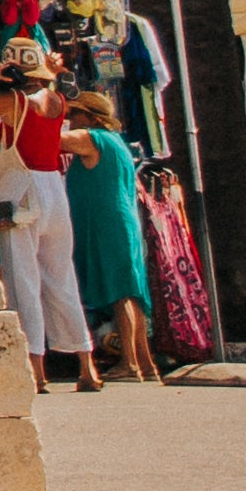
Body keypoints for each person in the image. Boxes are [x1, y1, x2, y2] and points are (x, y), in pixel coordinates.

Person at [0, 42, 98, 391]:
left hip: (23, 187)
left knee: (23, 280)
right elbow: (74, 92)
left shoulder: (13, 103)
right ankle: (87, 364)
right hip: (54, 188)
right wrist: (60, 74)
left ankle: (37, 371)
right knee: (62, 279)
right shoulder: (58, 100)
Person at [61, 85, 159, 381]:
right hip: (120, 221)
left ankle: (129, 362)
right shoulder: (115, 141)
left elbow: (54, 139)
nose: (70, 120)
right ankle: (145, 363)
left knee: (120, 293)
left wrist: (44, 109)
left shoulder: (92, 138)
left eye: (73, 115)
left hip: (108, 223)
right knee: (130, 292)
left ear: (88, 117)